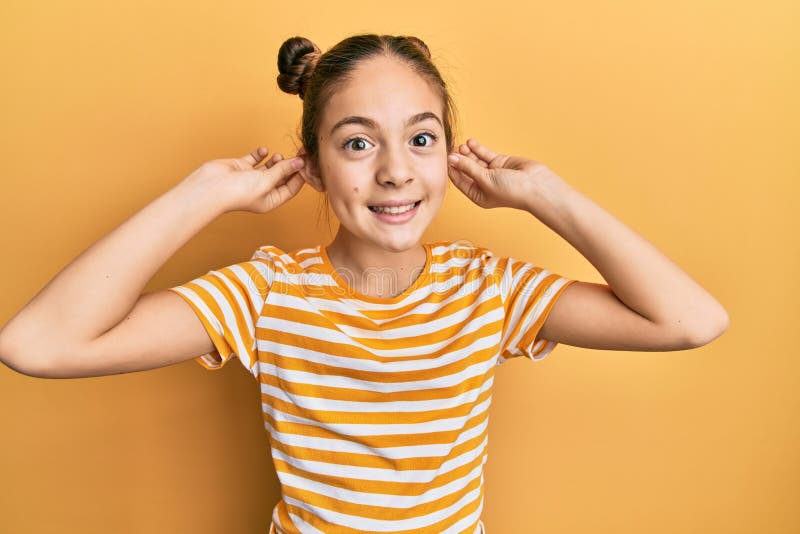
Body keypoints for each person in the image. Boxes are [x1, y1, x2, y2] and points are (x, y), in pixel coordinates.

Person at [0, 33, 729, 533]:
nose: (394, 170)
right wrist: (202, 194)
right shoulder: (265, 297)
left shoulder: (493, 292)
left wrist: (546, 194)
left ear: (447, 155)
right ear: (311, 165)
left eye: (421, 138)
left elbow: (690, 322)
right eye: (357, 142)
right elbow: (38, 344)